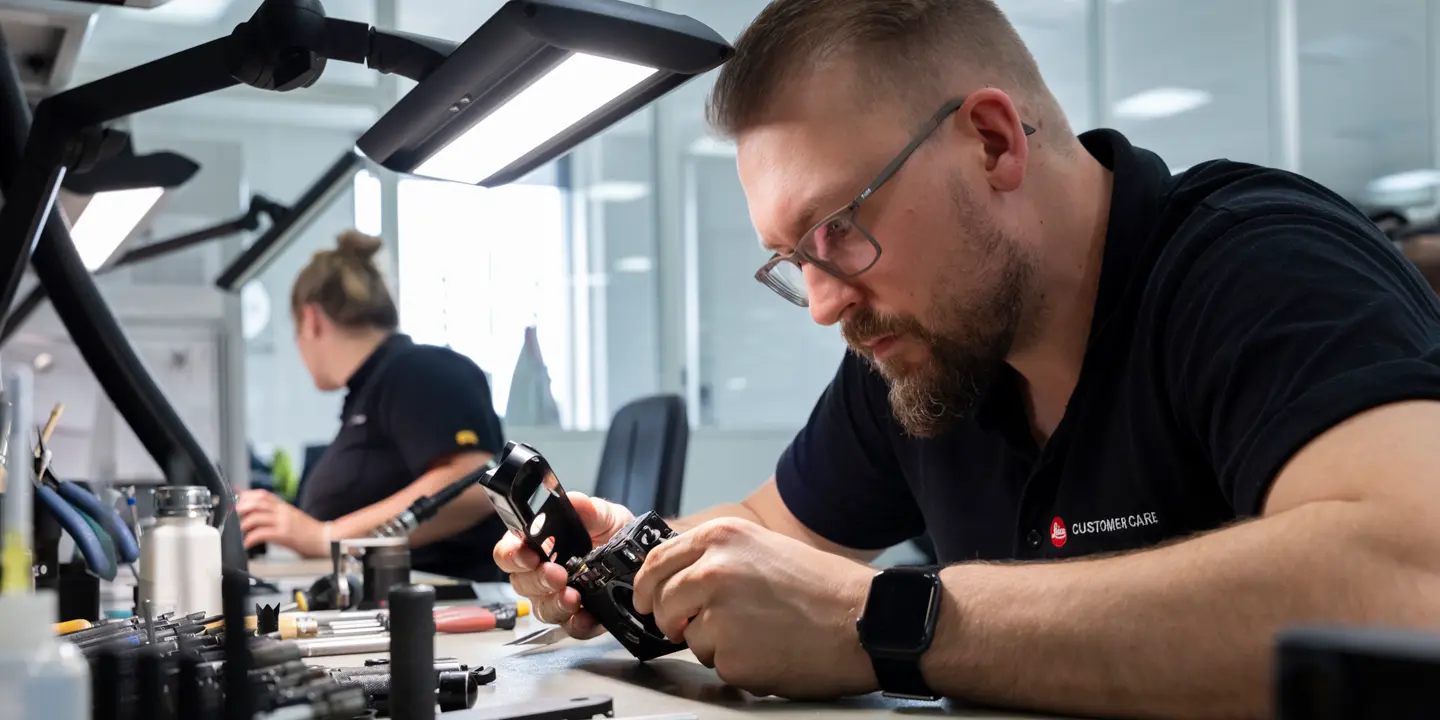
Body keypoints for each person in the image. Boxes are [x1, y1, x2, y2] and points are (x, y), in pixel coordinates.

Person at [495, 1, 1440, 717]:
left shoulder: (1257, 264)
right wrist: (640, 556)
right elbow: (769, 532)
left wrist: (892, 622)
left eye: (837, 229)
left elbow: (1413, 582)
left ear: (991, 143)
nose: (823, 304)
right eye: (792, 261)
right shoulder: (925, 354)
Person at [238, 229, 508, 582]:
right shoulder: (372, 392)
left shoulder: (421, 370)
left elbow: (475, 482)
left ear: (311, 319)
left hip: (449, 604)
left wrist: (326, 537)